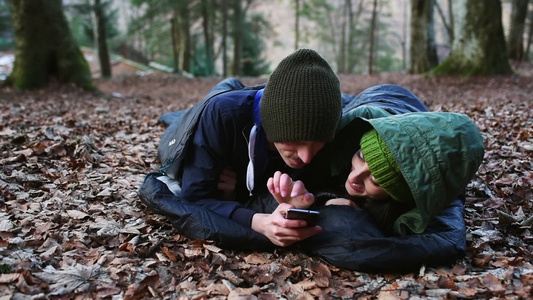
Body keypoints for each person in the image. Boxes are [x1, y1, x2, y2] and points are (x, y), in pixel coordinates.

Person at [140, 48, 343, 247]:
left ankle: (238, 87)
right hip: (205, 117)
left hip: (254, 103)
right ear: (275, 125)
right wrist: (257, 221)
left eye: (317, 144)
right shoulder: (221, 115)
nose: (307, 157)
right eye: (297, 140)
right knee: (205, 105)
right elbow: (194, 197)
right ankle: (224, 89)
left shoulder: (324, 121)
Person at [267, 111, 485, 236]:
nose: (353, 177)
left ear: (396, 196)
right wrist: (311, 201)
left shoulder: (421, 198)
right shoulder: (341, 145)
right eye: (361, 156)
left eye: (375, 180)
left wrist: (357, 217)